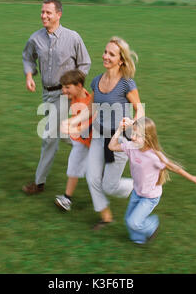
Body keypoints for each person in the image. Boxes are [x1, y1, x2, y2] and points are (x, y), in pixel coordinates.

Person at [62, 36, 144, 230]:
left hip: (119, 140)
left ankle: (141, 185)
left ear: (121, 60)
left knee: (109, 186)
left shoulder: (127, 84)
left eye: (111, 54)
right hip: (99, 136)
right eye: (105, 52)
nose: (105, 56)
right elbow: (91, 109)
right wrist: (71, 121)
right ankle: (106, 216)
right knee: (92, 178)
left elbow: (139, 108)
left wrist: (133, 123)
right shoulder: (97, 80)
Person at [22, 0, 91, 195]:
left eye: (48, 13)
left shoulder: (73, 37)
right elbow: (27, 57)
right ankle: (91, 149)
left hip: (66, 95)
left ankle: (39, 183)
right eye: (42, 12)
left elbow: (84, 63)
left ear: (58, 14)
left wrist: (75, 89)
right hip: (47, 93)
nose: (44, 16)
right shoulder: (35, 39)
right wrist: (29, 76)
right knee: (65, 134)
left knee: (49, 136)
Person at [109, 117, 196, 245]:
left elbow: (174, 167)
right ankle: (138, 240)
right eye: (133, 133)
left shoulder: (154, 157)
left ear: (148, 138)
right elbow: (112, 146)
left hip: (150, 197)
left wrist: (191, 177)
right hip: (137, 192)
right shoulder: (131, 147)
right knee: (128, 220)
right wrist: (119, 130)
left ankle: (152, 225)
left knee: (134, 222)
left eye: (138, 135)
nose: (134, 137)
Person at [55, 69, 93, 211]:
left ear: (79, 86)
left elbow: (88, 128)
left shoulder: (87, 102)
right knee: (76, 167)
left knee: (79, 169)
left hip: (88, 143)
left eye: (67, 87)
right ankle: (67, 198)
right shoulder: (77, 96)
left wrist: (69, 128)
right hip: (82, 142)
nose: (64, 91)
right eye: (63, 87)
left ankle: (133, 186)